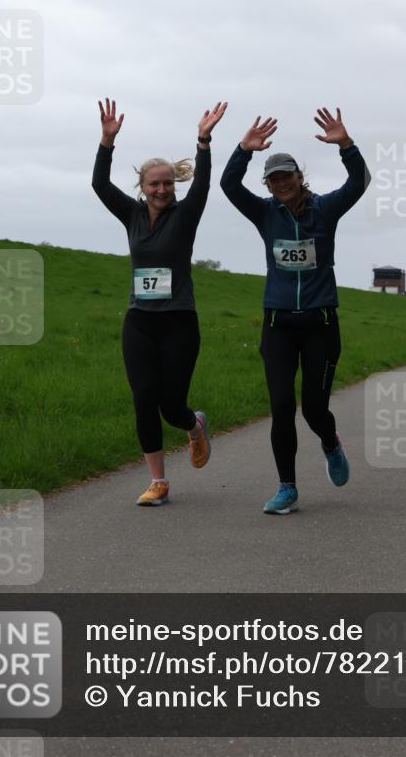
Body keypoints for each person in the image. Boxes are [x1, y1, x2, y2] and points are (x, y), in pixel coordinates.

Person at [220, 108, 369, 514]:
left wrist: (346, 145)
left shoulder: (326, 209)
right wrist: (243, 150)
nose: (282, 183)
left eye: (287, 175)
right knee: (282, 405)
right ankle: (287, 487)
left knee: (315, 407)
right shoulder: (265, 213)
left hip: (320, 323)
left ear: (300, 177)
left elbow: (359, 183)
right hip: (278, 324)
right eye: (274, 179)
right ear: (268, 186)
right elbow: (228, 186)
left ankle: (331, 442)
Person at [92, 97, 227, 505]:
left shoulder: (185, 215)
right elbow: (99, 185)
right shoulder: (131, 215)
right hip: (139, 321)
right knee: (143, 401)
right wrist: (106, 142)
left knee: (171, 406)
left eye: (168, 183)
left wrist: (203, 141)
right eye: (155, 183)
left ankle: (193, 423)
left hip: (179, 321)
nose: (163, 189)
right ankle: (159, 482)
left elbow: (202, 185)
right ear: (143, 187)